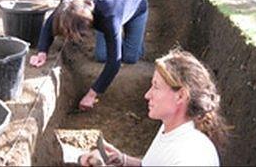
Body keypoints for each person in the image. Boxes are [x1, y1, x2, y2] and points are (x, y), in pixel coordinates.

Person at [80, 47, 228, 166]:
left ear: (181, 96)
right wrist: (124, 160)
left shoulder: (190, 158)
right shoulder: (170, 127)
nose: (147, 95)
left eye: (156, 87)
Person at [29, 0, 148, 110]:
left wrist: (92, 95)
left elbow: (114, 62)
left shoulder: (109, 16)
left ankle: (136, 44)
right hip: (108, 15)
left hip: (136, 8)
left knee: (130, 57)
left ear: (87, 24)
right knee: (102, 56)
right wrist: (42, 52)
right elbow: (51, 21)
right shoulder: (69, 3)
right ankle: (117, 38)